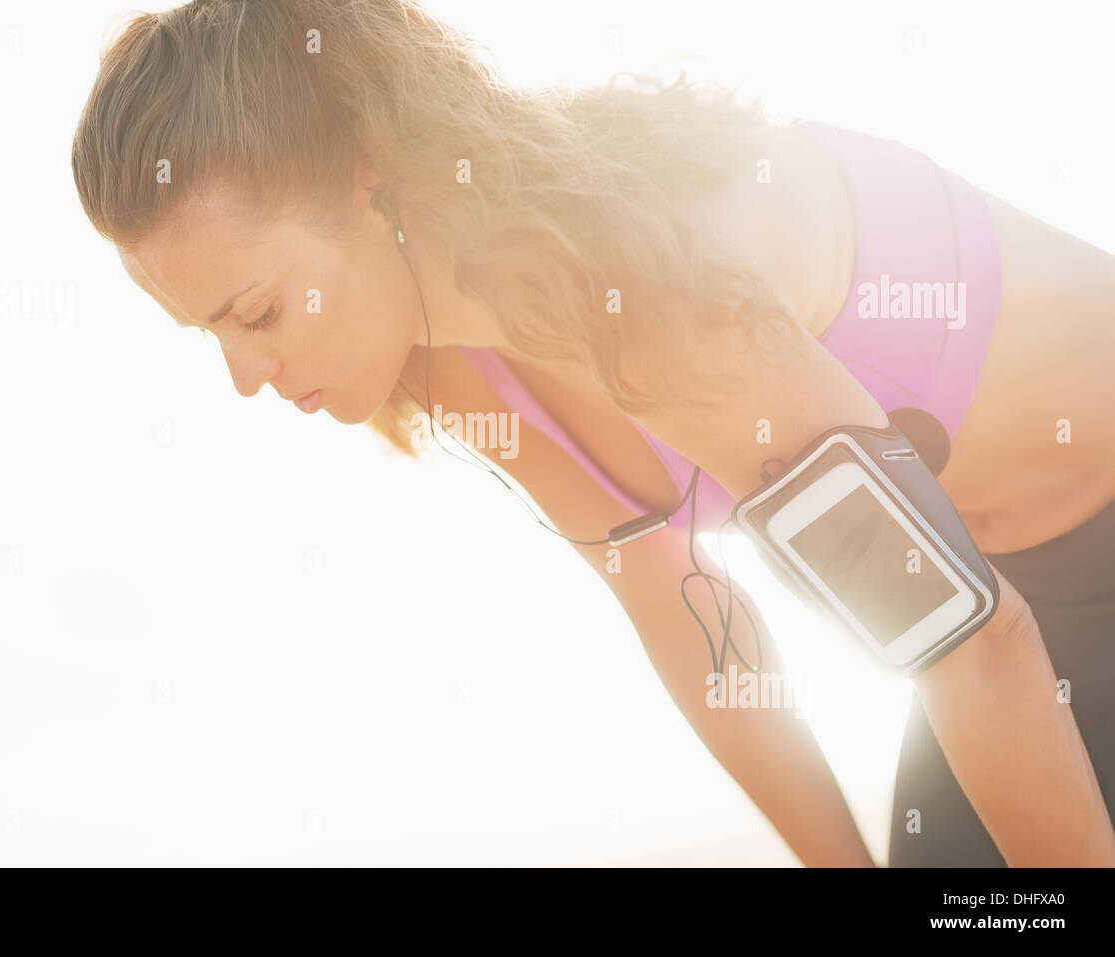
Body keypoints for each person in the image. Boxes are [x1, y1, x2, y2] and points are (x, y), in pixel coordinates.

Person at [71, 0, 1115, 866]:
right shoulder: (443, 353)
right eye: (208, 333)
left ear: (369, 176)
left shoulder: (649, 295)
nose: (244, 377)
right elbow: (691, 624)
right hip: (999, 613)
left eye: (254, 315)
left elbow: (976, 647)